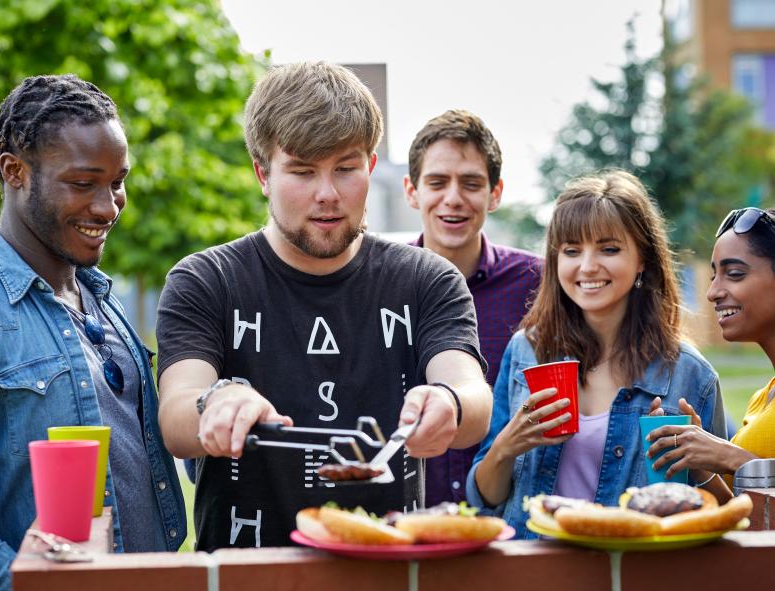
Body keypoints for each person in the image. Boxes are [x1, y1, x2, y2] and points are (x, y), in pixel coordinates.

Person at [155, 61, 493, 551]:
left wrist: (450, 402)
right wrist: (217, 401)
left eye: (346, 168)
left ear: (371, 168)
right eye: (302, 171)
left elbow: (472, 395)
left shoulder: (426, 279)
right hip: (246, 577)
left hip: (392, 573)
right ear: (262, 173)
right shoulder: (207, 280)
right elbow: (177, 417)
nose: (328, 194)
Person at [0, 75, 187, 591]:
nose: (109, 206)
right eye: (83, 182)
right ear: (14, 171)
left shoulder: (103, 301)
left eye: (117, 181)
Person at [465, 170, 727, 538]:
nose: (587, 266)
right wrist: (508, 444)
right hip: (536, 577)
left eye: (609, 248)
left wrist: (697, 465)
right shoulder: (527, 351)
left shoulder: (688, 374)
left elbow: (717, 514)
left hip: (634, 577)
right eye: (572, 251)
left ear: (642, 260)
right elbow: (484, 499)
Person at [403, 109, 543, 506]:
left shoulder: (540, 284)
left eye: (470, 183)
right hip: (408, 518)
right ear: (411, 192)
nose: (453, 198)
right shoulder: (380, 286)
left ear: (495, 193)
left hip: (510, 520)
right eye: (437, 182)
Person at [645, 207, 775, 503]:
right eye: (714, 275)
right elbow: (750, 516)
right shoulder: (762, 399)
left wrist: (732, 458)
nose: (713, 291)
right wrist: (702, 463)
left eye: (735, 274)